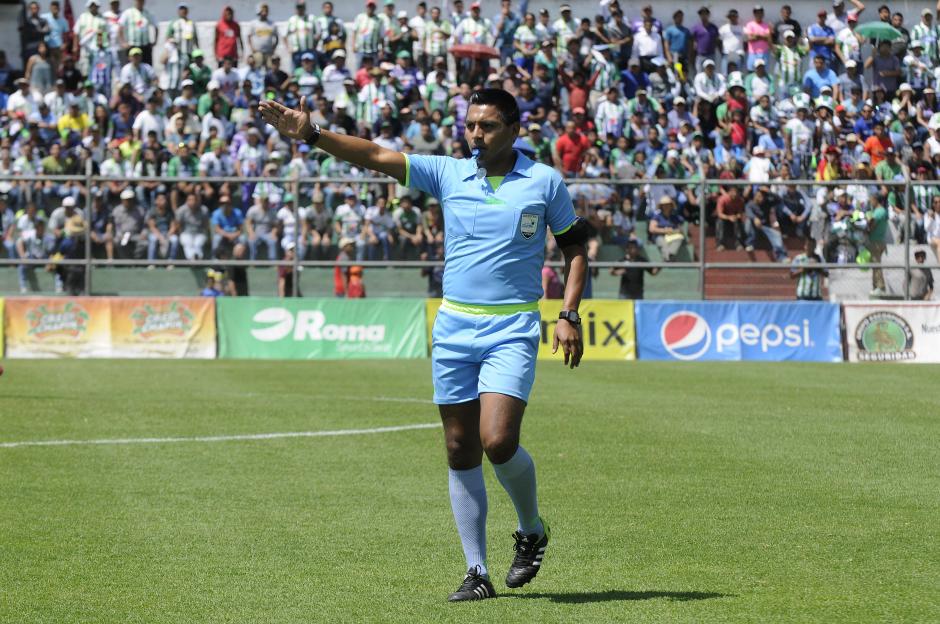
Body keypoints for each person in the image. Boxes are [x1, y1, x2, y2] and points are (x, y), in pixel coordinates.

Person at [261, 87, 587, 601]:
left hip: (512, 327)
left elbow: (575, 250)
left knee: (498, 440)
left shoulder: (544, 181)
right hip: (454, 325)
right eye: (471, 125)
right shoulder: (448, 172)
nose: (475, 134)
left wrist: (568, 313)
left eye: (487, 126)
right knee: (460, 447)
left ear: (514, 130)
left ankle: (532, 529)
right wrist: (313, 134)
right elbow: (373, 154)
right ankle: (476, 572)